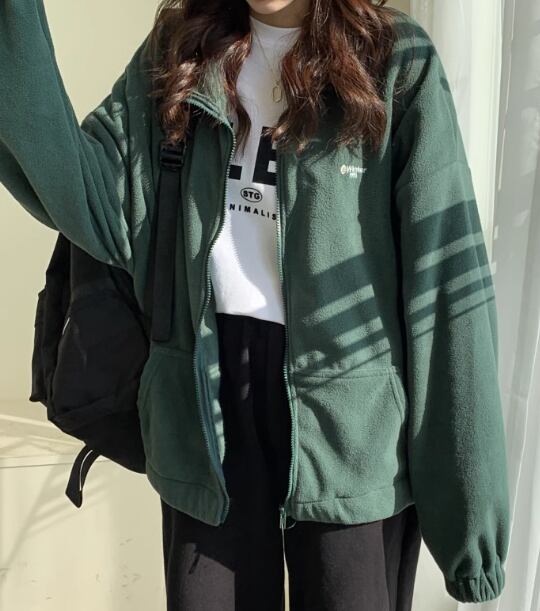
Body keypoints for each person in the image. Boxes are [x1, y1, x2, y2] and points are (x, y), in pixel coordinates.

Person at [0, 0, 510, 610]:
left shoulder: (394, 58)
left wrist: (470, 519)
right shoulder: (181, 46)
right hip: (205, 408)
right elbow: (90, 198)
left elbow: (445, 279)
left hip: (351, 426)